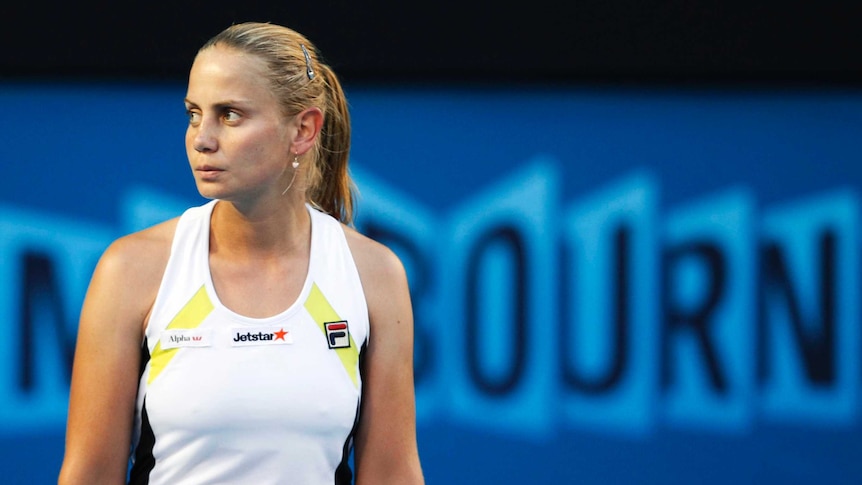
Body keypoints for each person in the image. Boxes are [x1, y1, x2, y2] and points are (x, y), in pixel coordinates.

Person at [58, 21, 424, 485]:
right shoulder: (130, 269)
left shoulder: (374, 275)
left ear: (304, 131)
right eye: (194, 113)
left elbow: (392, 474)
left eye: (230, 114)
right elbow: (89, 474)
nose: (201, 138)